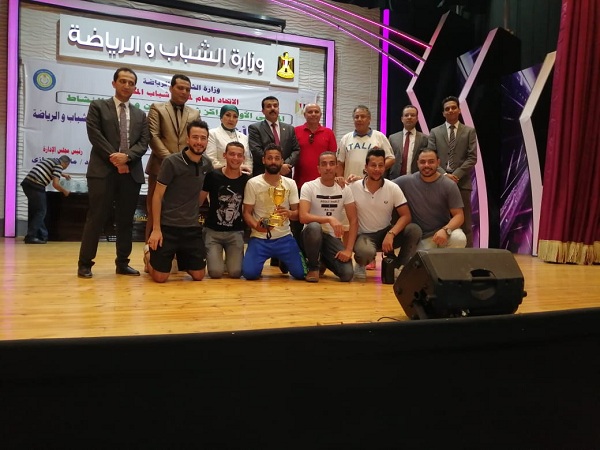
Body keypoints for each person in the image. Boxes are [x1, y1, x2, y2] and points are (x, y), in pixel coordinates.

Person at [77, 67, 149, 279]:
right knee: (96, 218)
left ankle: (123, 263)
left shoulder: (140, 115)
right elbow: (95, 135)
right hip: (103, 172)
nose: (127, 85)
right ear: (114, 83)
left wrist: (127, 158)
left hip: (131, 173)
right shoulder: (98, 106)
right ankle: (85, 264)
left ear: (135, 88)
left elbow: (143, 142)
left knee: (126, 221)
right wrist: (116, 158)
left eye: (131, 83)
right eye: (123, 81)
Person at [146, 120, 213, 283]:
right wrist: (156, 229)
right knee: (160, 278)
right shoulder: (171, 162)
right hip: (167, 227)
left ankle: (177, 256)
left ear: (207, 141)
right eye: (195, 137)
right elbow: (157, 196)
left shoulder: (207, 164)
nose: (199, 142)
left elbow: (203, 194)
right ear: (187, 139)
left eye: (203, 138)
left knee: (199, 275)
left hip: (191, 228)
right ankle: (148, 256)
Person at [349, 148, 421, 281]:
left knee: (414, 230)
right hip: (364, 235)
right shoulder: (353, 187)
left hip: (386, 232)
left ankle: (399, 266)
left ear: (385, 167)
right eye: (373, 165)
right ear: (366, 167)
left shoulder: (392, 187)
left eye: (380, 165)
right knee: (365, 252)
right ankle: (360, 263)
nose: (377, 169)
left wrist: (391, 234)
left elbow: (406, 216)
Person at [145, 74, 201, 240]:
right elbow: (153, 136)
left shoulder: (195, 113)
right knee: (155, 212)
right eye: (180, 88)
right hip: (160, 168)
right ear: (171, 88)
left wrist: (183, 164)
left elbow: (195, 140)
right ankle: (150, 250)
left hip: (186, 172)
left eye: (187, 89)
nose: (184, 92)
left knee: (180, 212)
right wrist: (173, 162)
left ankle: (178, 249)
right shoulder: (157, 108)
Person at [242, 143, 306, 280]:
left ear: (282, 161)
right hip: (259, 238)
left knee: (301, 274)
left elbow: (297, 214)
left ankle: (285, 259)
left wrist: (289, 213)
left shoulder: (290, 183)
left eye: (277, 158)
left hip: (284, 237)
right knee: (249, 274)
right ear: (263, 160)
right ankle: (282, 258)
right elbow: (247, 212)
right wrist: (256, 226)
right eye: (269, 158)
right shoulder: (253, 183)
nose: (273, 161)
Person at [299, 152, 357, 283]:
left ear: (337, 167)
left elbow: (354, 220)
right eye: (324, 164)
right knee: (314, 227)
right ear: (318, 168)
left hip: (331, 238)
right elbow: (303, 217)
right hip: (310, 236)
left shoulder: (345, 189)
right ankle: (313, 267)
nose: (328, 167)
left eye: (332, 164)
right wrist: (329, 219)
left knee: (347, 274)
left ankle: (322, 259)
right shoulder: (309, 186)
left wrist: (349, 250)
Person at [427, 96, 477, 247]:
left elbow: (472, 158)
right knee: (438, 220)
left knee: (465, 222)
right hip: (439, 182)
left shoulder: (469, 131)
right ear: (443, 113)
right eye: (447, 109)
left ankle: (467, 257)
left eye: (453, 107)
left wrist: (455, 175)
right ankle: (439, 254)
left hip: (462, 183)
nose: (450, 110)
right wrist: (444, 175)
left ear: (459, 110)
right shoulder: (435, 132)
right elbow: (431, 155)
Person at [394, 148, 467, 249]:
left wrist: (446, 230)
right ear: (417, 163)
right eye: (423, 162)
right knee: (423, 256)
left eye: (431, 162)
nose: (427, 165)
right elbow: (384, 185)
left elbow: (459, 216)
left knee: (459, 239)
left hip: (443, 231)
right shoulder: (406, 182)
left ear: (438, 163)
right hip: (421, 237)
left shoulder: (449, 185)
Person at [200, 141, 250, 279]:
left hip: (235, 232)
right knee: (215, 273)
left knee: (235, 273)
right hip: (213, 232)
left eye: (239, 155)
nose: (235, 158)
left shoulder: (247, 180)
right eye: (232, 154)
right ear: (224, 155)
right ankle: (218, 261)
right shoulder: (212, 176)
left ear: (243, 158)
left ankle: (230, 261)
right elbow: (199, 201)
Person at [21, 155, 71, 244]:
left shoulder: (51, 160)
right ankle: (31, 237)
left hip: (27, 184)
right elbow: (55, 184)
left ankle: (40, 236)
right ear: (66, 163)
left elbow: (52, 171)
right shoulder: (59, 166)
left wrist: (63, 175)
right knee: (41, 212)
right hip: (36, 185)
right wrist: (64, 191)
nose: (65, 168)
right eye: (67, 166)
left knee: (35, 211)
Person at [336, 105, 395, 180]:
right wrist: (341, 181)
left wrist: (375, 169)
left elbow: (391, 159)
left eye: (363, 117)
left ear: (369, 119)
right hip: (350, 183)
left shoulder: (379, 137)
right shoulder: (345, 138)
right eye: (356, 117)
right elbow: (340, 163)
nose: (359, 119)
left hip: (372, 183)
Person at [248, 96, 300, 177]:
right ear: (263, 111)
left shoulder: (289, 129)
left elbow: (296, 150)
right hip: (263, 175)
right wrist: (278, 165)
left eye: (275, 106)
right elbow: (256, 151)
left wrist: (284, 165)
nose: (273, 108)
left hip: (285, 174)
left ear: (278, 109)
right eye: (269, 106)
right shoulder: (255, 128)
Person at [293, 103, 337, 191]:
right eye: (310, 112)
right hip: (300, 183)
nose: (313, 114)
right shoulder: (295, 131)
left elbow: (333, 159)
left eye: (316, 112)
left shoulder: (329, 133)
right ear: (304, 115)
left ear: (320, 115)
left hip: (324, 183)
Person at [205, 105, 252, 174]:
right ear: (221, 117)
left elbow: (248, 160)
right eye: (228, 115)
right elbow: (211, 160)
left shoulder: (244, 137)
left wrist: (247, 171)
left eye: (235, 116)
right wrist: (231, 169)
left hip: (242, 175)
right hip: (220, 174)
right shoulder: (212, 134)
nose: (231, 119)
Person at [387, 105, 429, 179]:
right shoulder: (392, 138)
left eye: (412, 115)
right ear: (402, 119)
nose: (409, 117)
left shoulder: (425, 138)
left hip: (416, 179)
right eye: (406, 115)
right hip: (395, 179)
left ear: (417, 119)